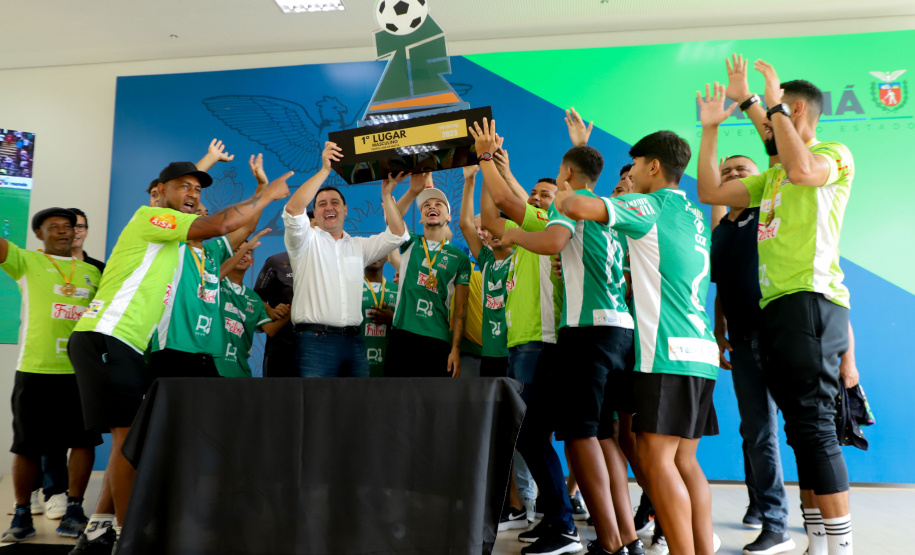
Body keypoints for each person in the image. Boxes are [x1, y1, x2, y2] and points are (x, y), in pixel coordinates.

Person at [66, 160, 291, 553]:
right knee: (125, 440)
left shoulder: (180, 245)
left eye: (198, 189)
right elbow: (220, 225)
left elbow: (228, 230)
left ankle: (104, 529)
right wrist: (264, 195)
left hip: (127, 344)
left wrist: (257, 200)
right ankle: (127, 535)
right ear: (161, 191)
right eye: (183, 187)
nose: (192, 195)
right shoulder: (150, 218)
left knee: (128, 439)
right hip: (107, 336)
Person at [697, 59, 856, 555]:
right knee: (799, 433)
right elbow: (709, 191)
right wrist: (714, 128)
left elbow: (803, 166)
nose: (768, 122)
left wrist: (770, 103)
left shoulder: (832, 154)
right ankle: (815, 540)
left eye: (777, 114)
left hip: (812, 303)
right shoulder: (771, 180)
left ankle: (841, 546)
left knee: (815, 429)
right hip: (776, 312)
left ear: (796, 109)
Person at [556, 129, 721, 555]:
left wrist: (562, 191)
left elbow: (576, 204)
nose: (629, 175)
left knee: (654, 459)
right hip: (702, 353)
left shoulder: (649, 204)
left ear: (653, 167)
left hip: (669, 353)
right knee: (685, 462)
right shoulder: (690, 212)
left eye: (634, 167)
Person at [494, 110, 638, 555]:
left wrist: (515, 235)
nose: (556, 181)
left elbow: (551, 241)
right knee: (607, 437)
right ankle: (627, 538)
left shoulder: (568, 206)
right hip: (622, 333)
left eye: (559, 173)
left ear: (568, 175)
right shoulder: (614, 211)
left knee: (581, 437)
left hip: (586, 333)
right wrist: (578, 143)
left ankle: (610, 542)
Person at [473, 127, 580, 555]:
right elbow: (491, 217)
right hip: (522, 344)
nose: (535, 198)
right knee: (529, 437)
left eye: (543, 194)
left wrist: (486, 162)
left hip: (541, 343)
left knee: (532, 436)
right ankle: (557, 519)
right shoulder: (525, 238)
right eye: (532, 193)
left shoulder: (549, 224)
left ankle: (564, 525)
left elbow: (505, 201)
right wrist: (498, 166)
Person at [0, 208, 102, 543]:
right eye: (53, 227)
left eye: (68, 226)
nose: (62, 231)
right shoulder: (26, 261)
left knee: (84, 441)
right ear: (39, 235)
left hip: (80, 372)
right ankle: (21, 514)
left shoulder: (93, 272)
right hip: (36, 369)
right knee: (27, 446)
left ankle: (74, 510)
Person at [284, 142, 407, 378]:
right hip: (314, 343)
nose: (329, 207)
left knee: (355, 411)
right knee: (314, 410)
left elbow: (398, 234)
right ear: (316, 214)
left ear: (346, 210)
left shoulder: (358, 246)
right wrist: (325, 171)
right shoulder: (303, 241)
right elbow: (292, 208)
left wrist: (387, 195)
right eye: (321, 204)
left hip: (354, 342)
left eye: (335, 203)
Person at [149, 152, 269, 379]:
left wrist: (262, 188)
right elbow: (168, 206)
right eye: (194, 211)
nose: (200, 215)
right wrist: (209, 160)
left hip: (208, 352)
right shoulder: (169, 243)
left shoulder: (213, 252)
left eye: (203, 212)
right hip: (173, 348)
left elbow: (246, 228)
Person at [385, 173, 471, 378]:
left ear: (449, 217)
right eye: (426, 205)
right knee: (396, 402)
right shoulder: (410, 243)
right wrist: (407, 191)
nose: (432, 206)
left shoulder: (460, 258)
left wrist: (455, 350)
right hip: (402, 336)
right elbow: (393, 221)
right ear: (421, 217)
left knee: (432, 406)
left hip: (437, 340)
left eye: (439, 204)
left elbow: (461, 310)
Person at [458, 165, 513, 377]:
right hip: (489, 353)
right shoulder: (486, 260)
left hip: (515, 349)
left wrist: (493, 169)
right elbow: (465, 224)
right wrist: (470, 179)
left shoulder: (521, 258)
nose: (494, 232)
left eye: (502, 226)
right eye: (490, 229)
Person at [216, 235, 290, 377]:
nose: (243, 255)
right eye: (237, 250)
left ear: (252, 262)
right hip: (210, 368)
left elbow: (270, 330)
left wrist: (293, 306)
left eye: (248, 252)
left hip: (240, 371)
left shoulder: (254, 299)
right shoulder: (214, 283)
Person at [254, 251, 296, 377]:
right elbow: (256, 298)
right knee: (277, 393)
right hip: (281, 345)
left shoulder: (327, 260)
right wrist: (271, 311)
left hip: (320, 345)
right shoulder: (276, 261)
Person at [361, 258, 398, 377]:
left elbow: (411, 325)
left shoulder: (397, 290)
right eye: (372, 252)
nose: (375, 256)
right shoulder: (351, 288)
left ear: (386, 258)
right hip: (357, 363)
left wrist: (394, 318)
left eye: (379, 252)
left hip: (390, 365)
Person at [67, 208, 105, 274]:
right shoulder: (51, 265)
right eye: (70, 226)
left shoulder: (100, 268)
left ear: (86, 231)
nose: (75, 231)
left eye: (80, 226)